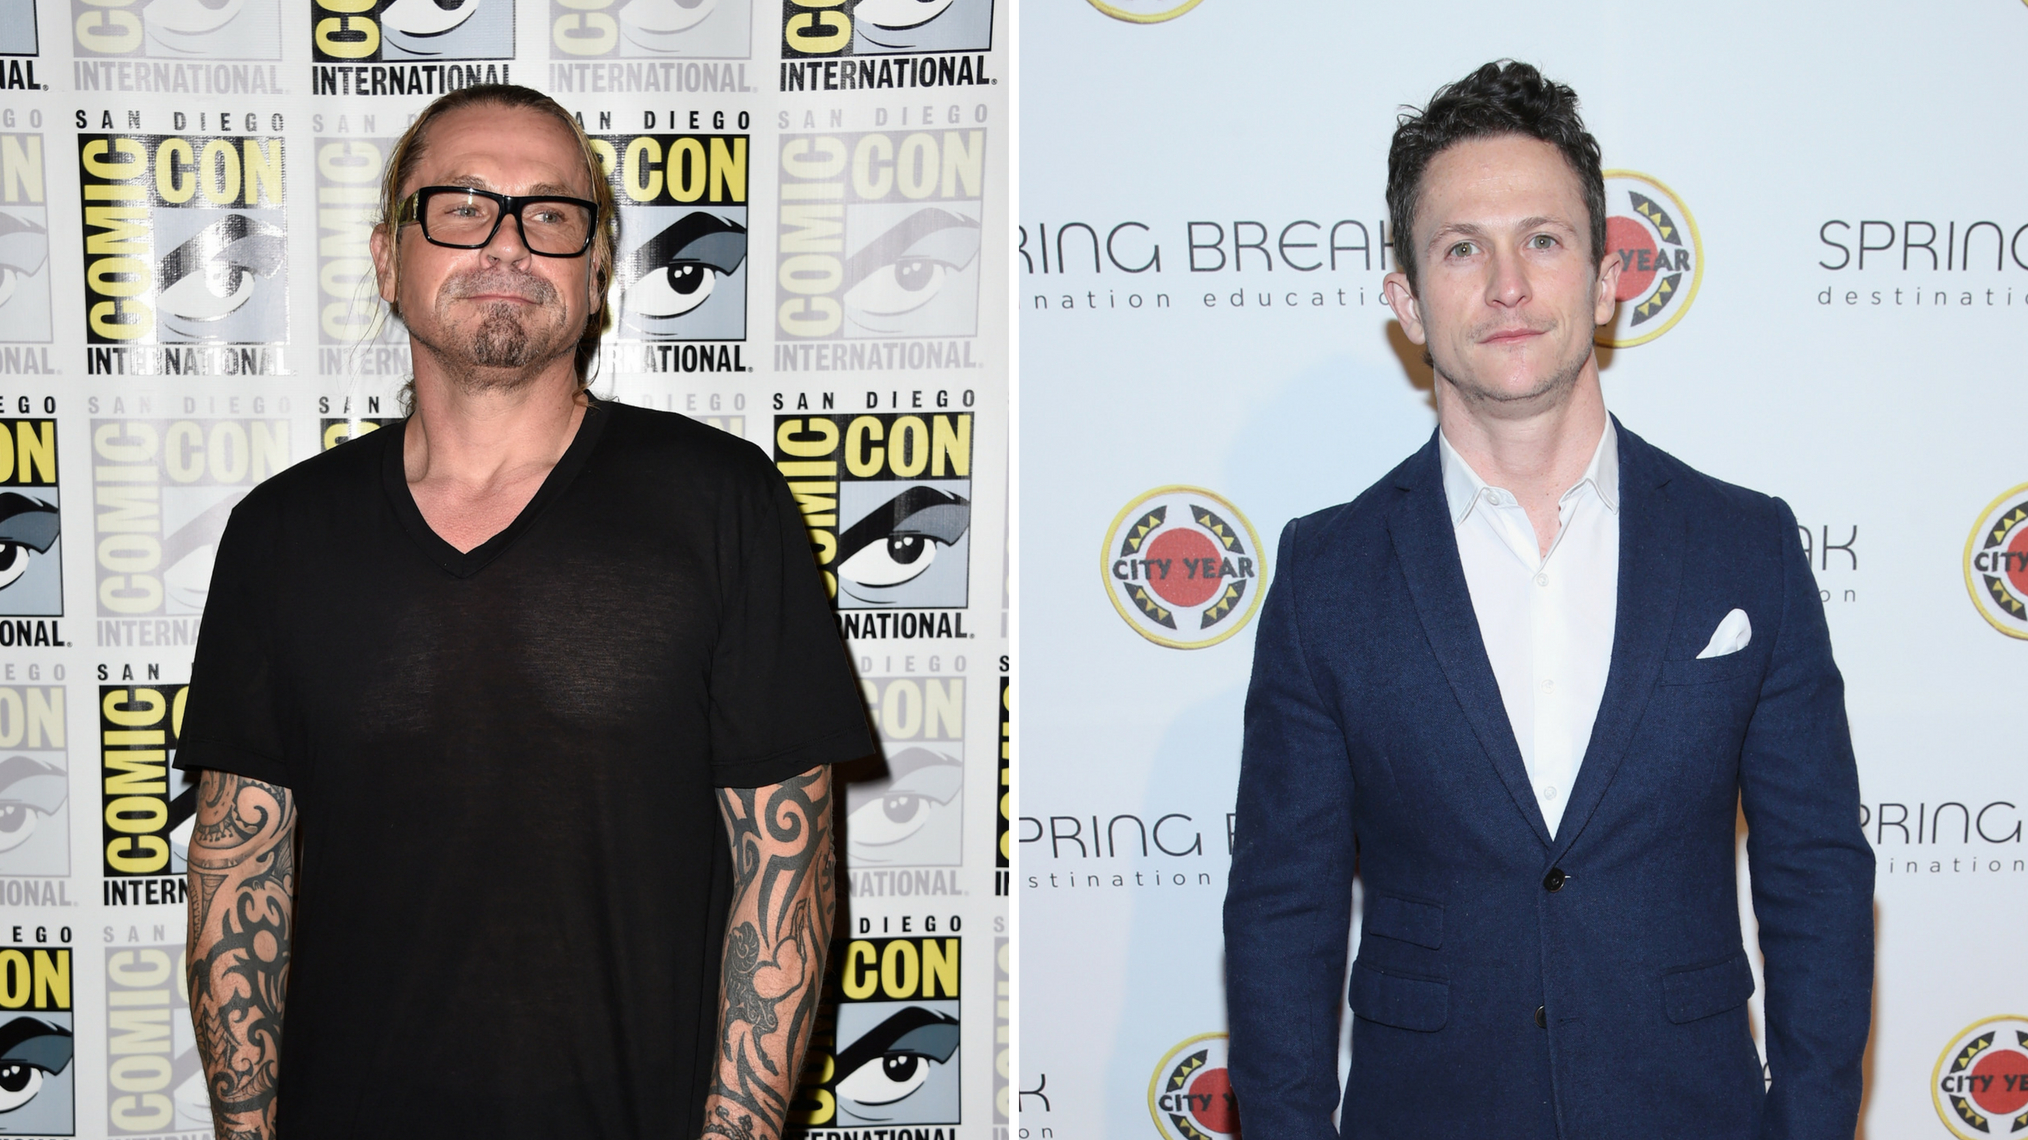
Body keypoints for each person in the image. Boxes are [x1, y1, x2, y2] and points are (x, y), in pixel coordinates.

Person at [177, 84, 872, 1140]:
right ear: (386, 259)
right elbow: (240, 873)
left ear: (596, 272)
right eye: (461, 205)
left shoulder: (723, 504)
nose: (507, 241)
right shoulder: (281, 534)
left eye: (550, 213)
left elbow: (786, 875)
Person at [1222, 62, 1873, 1140]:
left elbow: (1817, 879)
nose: (1508, 285)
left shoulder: (1744, 548)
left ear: (1607, 279)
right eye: (1461, 248)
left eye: (1543, 240)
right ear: (1407, 301)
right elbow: (1282, 914)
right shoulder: (1326, 576)